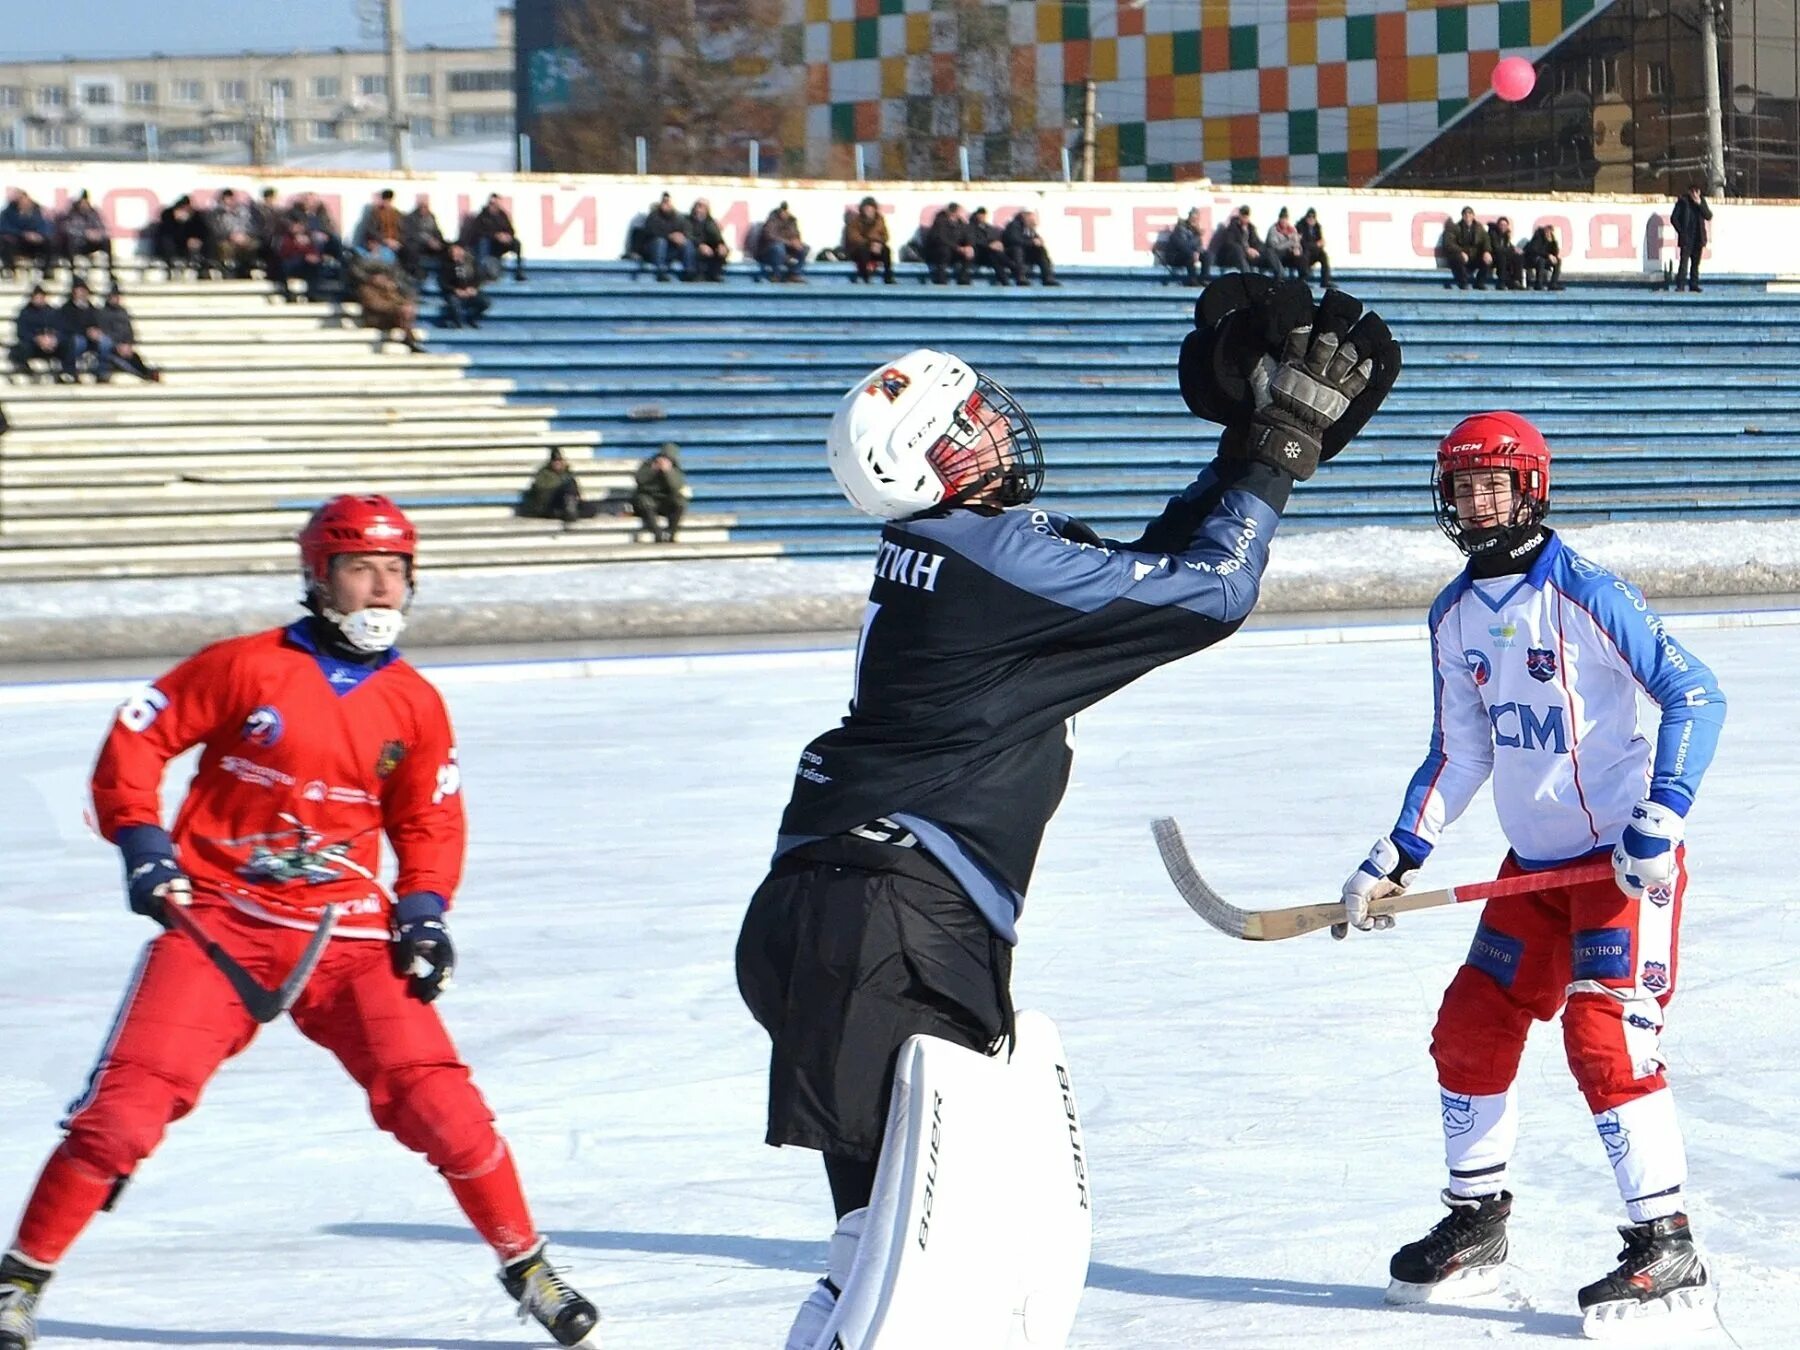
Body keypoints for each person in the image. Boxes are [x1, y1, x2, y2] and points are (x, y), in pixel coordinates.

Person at [737, 280, 1400, 1350]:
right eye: (970, 421)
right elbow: (1208, 591)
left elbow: (1142, 576)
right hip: (895, 918)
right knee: (920, 1273)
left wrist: (1248, 453)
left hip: (835, 907)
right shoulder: (993, 560)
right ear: (931, 458)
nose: (997, 425)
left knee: (880, 1253)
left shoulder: (954, 557)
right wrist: (1274, 450)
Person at [0, 496, 599, 1350]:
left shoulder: (415, 703)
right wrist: (142, 842)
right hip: (219, 926)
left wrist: (424, 911)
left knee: (448, 1111)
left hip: (348, 939)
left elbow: (429, 822)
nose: (381, 589)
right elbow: (138, 741)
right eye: (361, 570)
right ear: (320, 579)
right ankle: (19, 1279)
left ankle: (527, 1265)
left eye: (396, 571)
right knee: (122, 1117)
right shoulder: (245, 666)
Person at [1337, 412, 1725, 1334]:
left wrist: (1660, 812)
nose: (1476, 503)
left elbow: (1695, 694)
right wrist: (1398, 849)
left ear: (1531, 489)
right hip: (1533, 874)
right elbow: (1458, 749)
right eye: (1463, 487)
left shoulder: (1589, 593)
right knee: (1470, 1026)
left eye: (1494, 486)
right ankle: (1477, 1223)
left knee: (1606, 1041)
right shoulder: (1454, 613)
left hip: (1624, 870)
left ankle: (1665, 1243)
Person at [96, 287, 162, 383]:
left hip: (125, 345)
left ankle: (148, 372)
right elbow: (104, 333)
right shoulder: (102, 313)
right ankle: (146, 375)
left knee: (135, 358)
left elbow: (129, 330)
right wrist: (118, 345)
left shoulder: (123, 312)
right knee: (124, 362)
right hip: (113, 349)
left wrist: (128, 344)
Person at [631, 442, 691, 543]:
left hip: (666, 500)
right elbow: (639, 480)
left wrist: (668, 472)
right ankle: (657, 533)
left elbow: (676, 486)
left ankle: (671, 533)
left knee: (680, 502)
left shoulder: (675, 468)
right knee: (643, 501)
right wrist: (653, 470)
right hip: (649, 498)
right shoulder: (649, 464)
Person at [462, 194, 525, 282]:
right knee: (484, 242)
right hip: (489, 243)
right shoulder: (482, 216)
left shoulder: (503, 215)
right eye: (491, 203)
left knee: (516, 243)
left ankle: (519, 271)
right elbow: (478, 232)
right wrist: (496, 236)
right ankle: (481, 272)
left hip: (501, 244)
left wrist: (507, 236)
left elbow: (511, 230)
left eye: (496, 204)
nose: (493, 206)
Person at [57, 278, 110, 382]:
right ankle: (70, 371)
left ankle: (102, 372)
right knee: (78, 342)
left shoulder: (92, 308)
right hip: (74, 337)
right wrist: (86, 332)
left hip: (91, 339)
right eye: (79, 290)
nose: (82, 293)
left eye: (84, 291)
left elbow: (97, 323)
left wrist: (97, 331)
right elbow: (67, 327)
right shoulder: (66, 309)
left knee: (106, 342)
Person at [7, 285, 64, 380]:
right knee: (20, 348)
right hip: (33, 346)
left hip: (52, 345)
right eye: (36, 297)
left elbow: (61, 329)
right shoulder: (25, 313)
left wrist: (53, 339)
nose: (38, 300)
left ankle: (67, 373)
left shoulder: (53, 312)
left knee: (68, 343)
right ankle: (24, 371)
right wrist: (37, 339)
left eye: (40, 297)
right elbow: (21, 332)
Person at [517, 448, 585, 524]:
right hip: (549, 504)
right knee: (567, 488)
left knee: (589, 508)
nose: (557, 463)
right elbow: (541, 494)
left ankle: (570, 511)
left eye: (559, 461)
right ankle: (567, 511)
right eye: (555, 461)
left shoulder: (567, 474)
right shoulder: (544, 473)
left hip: (564, 503)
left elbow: (576, 492)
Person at [55, 191, 113, 279]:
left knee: (106, 241)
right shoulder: (70, 214)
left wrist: (97, 234)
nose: (84, 204)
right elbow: (66, 229)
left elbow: (102, 228)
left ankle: (110, 271)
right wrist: (84, 234)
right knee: (70, 242)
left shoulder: (93, 213)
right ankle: (73, 271)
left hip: (90, 244)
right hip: (77, 244)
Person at [155, 195, 214, 280]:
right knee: (167, 243)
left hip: (191, 247)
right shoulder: (168, 216)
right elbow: (168, 234)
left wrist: (197, 240)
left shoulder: (196, 216)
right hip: (174, 246)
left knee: (208, 244)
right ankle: (172, 269)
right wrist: (178, 223)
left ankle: (204, 270)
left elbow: (204, 231)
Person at [1, 191, 55, 280]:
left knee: (49, 243)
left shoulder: (37, 212)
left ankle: (47, 271)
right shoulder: (7, 213)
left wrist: (39, 235)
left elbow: (45, 226)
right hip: (16, 242)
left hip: (34, 243)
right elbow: (4, 228)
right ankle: (10, 271)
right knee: (4, 243)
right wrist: (23, 234)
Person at [210, 189, 262, 279]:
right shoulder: (217, 213)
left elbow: (253, 226)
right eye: (227, 199)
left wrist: (246, 235)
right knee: (226, 247)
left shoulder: (244, 211)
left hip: (245, 237)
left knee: (254, 245)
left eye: (231, 198)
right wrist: (230, 236)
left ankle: (249, 270)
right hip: (226, 239)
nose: (230, 201)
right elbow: (215, 229)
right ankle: (228, 271)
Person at [437, 243, 491, 329]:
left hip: (470, 290)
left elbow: (479, 278)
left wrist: (473, 288)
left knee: (485, 302)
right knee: (454, 303)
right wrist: (455, 290)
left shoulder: (472, 263)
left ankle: (472, 319)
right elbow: (443, 282)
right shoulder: (447, 265)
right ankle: (458, 323)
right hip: (454, 292)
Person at [1670, 185, 1711, 294]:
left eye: (1697, 191)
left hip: (1699, 237)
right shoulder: (1683, 201)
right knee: (1684, 263)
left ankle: (1694, 285)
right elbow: (1674, 218)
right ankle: (1681, 285)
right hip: (1687, 238)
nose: (1695, 194)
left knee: (1695, 263)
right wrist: (1681, 231)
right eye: (1692, 191)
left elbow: (1708, 215)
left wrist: (1700, 204)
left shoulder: (1701, 201)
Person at [842, 196, 893, 284]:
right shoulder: (855, 221)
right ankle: (865, 277)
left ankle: (888, 277)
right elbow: (854, 237)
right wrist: (870, 244)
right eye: (867, 209)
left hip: (875, 248)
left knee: (886, 250)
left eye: (871, 209)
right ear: (862, 209)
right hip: (859, 250)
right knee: (863, 250)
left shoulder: (880, 220)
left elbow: (885, 236)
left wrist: (878, 243)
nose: (869, 211)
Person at [1440, 206, 1493, 290]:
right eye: (1465, 214)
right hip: (1460, 258)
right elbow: (1449, 244)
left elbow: (1486, 240)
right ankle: (1463, 283)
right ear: (1462, 216)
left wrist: (1487, 251)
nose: (1467, 216)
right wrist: (1460, 252)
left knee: (1488, 259)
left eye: (1470, 213)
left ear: (1473, 215)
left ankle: (1480, 283)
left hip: (1474, 257)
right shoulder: (1455, 227)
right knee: (1458, 258)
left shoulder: (1479, 228)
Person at [641, 192, 690, 282]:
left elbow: (686, 231)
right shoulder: (653, 216)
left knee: (687, 243)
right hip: (654, 250)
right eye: (664, 202)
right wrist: (669, 236)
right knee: (660, 242)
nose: (666, 204)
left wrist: (681, 237)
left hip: (671, 250)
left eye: (668, 202)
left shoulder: (679, 218)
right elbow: (651, 231)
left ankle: (689, 273)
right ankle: (660, 272)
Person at [923, 201, 975, 285]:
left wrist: (969, 246)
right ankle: (941, 278)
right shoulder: (939, 222)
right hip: (938, 251)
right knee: (944, 251)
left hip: (955, 251)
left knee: (970, 252)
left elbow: (968, 236)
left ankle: (964, 278)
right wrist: (958, 248)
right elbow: (941, 239)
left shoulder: (961, 223)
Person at [1002, 208, 1057, 285]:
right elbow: (1014, 240)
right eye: (1030, 216)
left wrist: (1039, 241)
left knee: (1041, 250)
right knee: (1018, 249)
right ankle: (1020, 276)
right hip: (1011, 254)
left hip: (1025, 254)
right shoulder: (1014, 225)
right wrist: (1032, 242)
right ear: (1024, 216)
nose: (1032, 219)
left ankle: (1048, 277)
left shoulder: (1029, 229)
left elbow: (1035, 239)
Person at [354, 188, 406, 266]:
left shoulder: (398, 214)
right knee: (386, 256)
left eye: (389, 200)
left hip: (396, 243)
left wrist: (398, 242)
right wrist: (386, 241)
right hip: (380, 243)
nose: (387, 202)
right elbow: (371, 231)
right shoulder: (373, 214)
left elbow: (403, 230)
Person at [401, 200, 448, 286]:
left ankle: (447, 275)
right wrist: (428, 241)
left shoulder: (431, 217)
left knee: (448, 247)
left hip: (432, 243)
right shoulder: (410, 218)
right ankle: (417, 275)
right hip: (417, 243)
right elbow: (411, 234)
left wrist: (438, 241)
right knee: (411, 249)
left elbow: (437, 231)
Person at [1206, 205, 1263, 276]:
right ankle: (1247, 276)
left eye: (1246, 217)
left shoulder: (1251, 228)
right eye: (1243, 217)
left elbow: (1256, 241)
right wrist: (1246, 250)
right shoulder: (1232, 226)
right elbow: (1230, 243)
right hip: (1231, 256)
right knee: (1237, 249)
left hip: (1247, 256)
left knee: (1266, 251)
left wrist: (1256, 250)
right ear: (1239, 215)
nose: (1245, 219)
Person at [759, 203, 808, 283]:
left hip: (787, 249)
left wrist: (796, 241)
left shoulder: (792, 221)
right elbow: (769, 236)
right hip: (769, 251)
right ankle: (776, 274)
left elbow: (796, 234)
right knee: (778, 247)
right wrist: (789, 243)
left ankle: (794, 273)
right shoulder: (772, 220)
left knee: (804, 248)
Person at [969, 207, 1015, 285]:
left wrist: (998, 244)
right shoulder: (970, 228)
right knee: (993, 254)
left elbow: (997, 239)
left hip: (993, 255)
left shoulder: (990, 228)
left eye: (983, 215)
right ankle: (1012, 266)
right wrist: (989, 245)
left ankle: (1005, 280)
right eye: (980, 215)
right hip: (980, 255)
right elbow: (973, 241)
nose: (982, 217)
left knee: (994, 257)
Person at [686, 199, 730, 282]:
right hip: (694, 246)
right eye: (697, 206)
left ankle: (715, 274)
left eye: (702, 207)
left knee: (722, 250)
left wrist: (721, 245)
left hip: (709, 247)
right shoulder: (687, 220)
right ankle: (697, 275)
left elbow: (717, 237)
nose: (698, 209)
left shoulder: (710, 222)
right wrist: (700, 245)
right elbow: (688, 235)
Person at [1162, 208, 1205, 285]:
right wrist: (1193, 253)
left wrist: (1198, 251)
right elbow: (1182, 246)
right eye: (1193, 218)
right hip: (1175, 257)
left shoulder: (1196, 231)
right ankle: (1192, 280)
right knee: (1190, 255)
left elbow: (1199, 245)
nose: (1195, 220)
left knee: (1207, 255)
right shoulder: (1180, 229)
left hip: (1189, 255)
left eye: (1196, 218)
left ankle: (1204, 278)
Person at [1296, 207, 1333, 287]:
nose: (1311, 219)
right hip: (1304, 251)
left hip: (1314, 251)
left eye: (1313, 218)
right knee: (1305, 254)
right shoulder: (1300, 226)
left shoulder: (1317, 227)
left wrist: (1320, 244)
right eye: (1309, 217)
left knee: (1324, 255)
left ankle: (1325, 281)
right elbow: (1302, 243)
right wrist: (1316, 245)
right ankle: (1303, 280)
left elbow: (1320, 241)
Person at [1264, 207, 1304, 279]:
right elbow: (1275, 247)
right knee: (1271, 252)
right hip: (1275, 255)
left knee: (1300, 256)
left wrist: (1296, 249)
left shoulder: (1292, 229)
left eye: (1285, 219)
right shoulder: (1273, 230)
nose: (1284, 221)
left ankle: (1302, 277)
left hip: (1287, 254)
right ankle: (1280, 277)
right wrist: (1290, 242)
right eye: (1282, 219)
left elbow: (1297, 243)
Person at [1524, 222, 1563, 291]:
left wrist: (1553, 241)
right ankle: (1539, 284)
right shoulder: (1538, 237)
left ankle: (1553, 283)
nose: (1548, 233)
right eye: (1547, 231)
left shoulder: (1550, 240)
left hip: (1544, 259)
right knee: (1541, 261)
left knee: (1558, 261)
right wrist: (1548, 255)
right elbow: (1535, 250)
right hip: (1532, 259)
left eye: (1550, 232)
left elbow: (1555, 253)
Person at [1489, 216, 1524, 291]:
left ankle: (1517, 280)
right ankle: (1501, 282)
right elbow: (1497, 248)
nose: (1503, 227)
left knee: (1518, 256)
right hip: (1494, 257)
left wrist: (1515, 249)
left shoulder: (1506, 235)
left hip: (1504, 255)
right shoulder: (1492, 233)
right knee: (1502, 257)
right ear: (1498, 225)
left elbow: (1508, 246)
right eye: (1501, 225)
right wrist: (1511, 250)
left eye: (1505, 225)